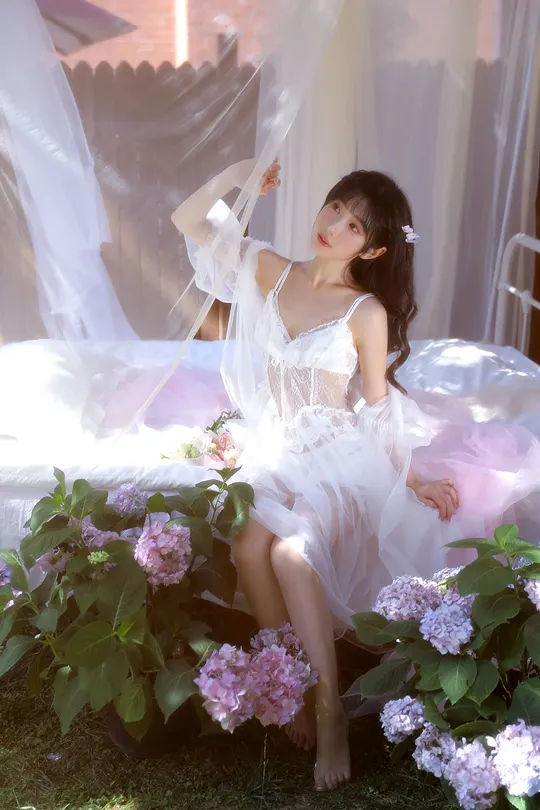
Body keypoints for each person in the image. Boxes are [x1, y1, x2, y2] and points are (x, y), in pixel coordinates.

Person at [171, 159, 540, 791]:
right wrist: (238, 172)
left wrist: (413, 478)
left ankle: (328, 708)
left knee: (291, 554)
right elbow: (187, 218)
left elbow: (375, 408)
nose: (334, 224)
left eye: (354, 225)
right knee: (247, 544)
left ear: (372, 250)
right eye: (336, 207)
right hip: (278, 452)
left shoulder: (365, 311)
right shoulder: (271, 270)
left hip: (338, 459)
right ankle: (286, 682)